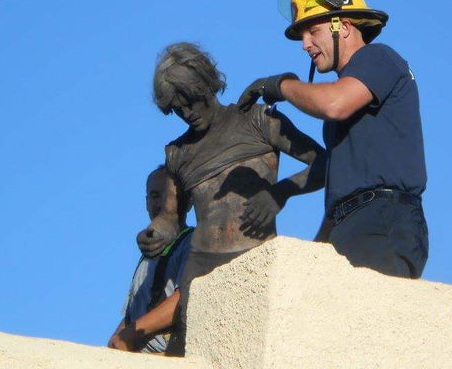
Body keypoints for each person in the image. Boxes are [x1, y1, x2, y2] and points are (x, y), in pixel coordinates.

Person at [238, 0, 428, 279]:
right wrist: (315, 256)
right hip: (351, 221)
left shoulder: (378, 57)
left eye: (313, 31)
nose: (305, 44)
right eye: (302, 36)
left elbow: (334, 104)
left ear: (345, 26)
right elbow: (340, 188)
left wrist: (281, 85)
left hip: (381, 220)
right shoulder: (350, 102)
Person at [139, 42, 325, 355]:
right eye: (177, 109)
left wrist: (279, 193)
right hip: (200, 269)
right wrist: (154, 234)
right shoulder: (177, 153)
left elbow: (324, 163)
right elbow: (171, 219)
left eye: (191, 102)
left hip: (255, 259)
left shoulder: (257, 120)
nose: (187, 114)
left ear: (206, 84)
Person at [108, 166, 193, 354]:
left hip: (167, 354)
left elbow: (185, 299)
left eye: (168, 196)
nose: (160, 203)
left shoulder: (191, 242)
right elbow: (133, 313)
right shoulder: (147, 255)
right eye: (154, 196)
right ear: (146, 202)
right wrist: (116, 340)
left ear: (188, 202)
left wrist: (129, 334)